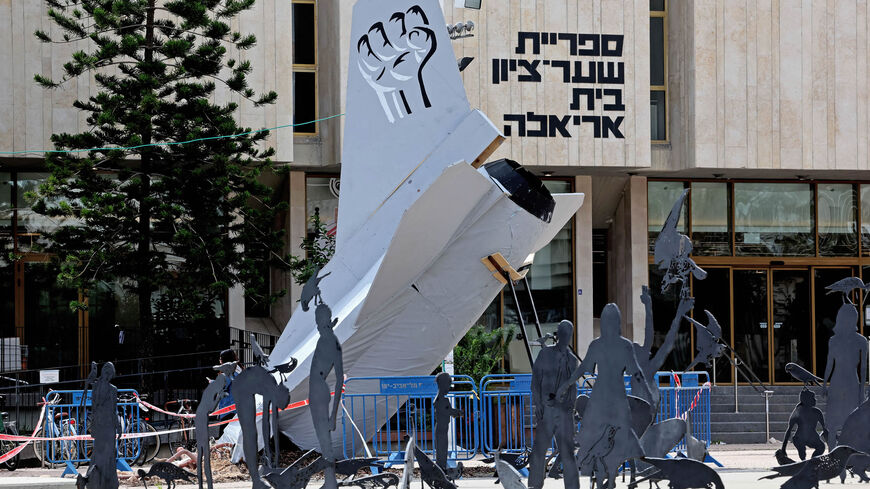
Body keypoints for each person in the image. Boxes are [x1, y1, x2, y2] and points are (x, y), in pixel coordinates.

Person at [557, 304, 652, 489]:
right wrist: (648, 393)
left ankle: (601, 478)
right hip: (616, 398)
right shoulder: (625, 345)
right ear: (618, 322)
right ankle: (610, 479)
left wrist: (566, 384)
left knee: (594, 438)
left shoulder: (597, 344)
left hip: (600, 398)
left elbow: (583, 369)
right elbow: (637, 373)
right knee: (619, 438)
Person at [528, 320, 580, 489]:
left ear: (570, 336)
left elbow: (573, 387)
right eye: (563, 333)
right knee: (539, 450)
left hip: (564, 413)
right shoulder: (545, 354)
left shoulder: (572, 360)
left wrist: (571, 409)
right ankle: (534, 486)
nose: (565, 337)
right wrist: (538, 404)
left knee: (568, 454)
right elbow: (535, 381)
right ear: (558, 334)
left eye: (568, 334)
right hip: (547, 410)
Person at [823, 302, 868, 448]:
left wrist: (862, 390)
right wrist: (824, 384)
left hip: (849, 383)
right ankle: (833, 454)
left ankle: (845, 455)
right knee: (835, 423)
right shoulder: (835, 340)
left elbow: (863, 369)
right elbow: (830, 364)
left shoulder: (861, 341)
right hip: (840, 382)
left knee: (848, 421)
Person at [781, 389, 828, 461]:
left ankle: (813, 460)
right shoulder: (798, 412)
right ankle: (803, 460)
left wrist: (832, 442)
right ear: (806, 400)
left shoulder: (817, 412)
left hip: (812, 437)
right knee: (802, 450)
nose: (815, 400)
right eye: (813, 398)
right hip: (799, 438)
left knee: (821, 447)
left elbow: (825, 429)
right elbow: (789, 430)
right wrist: (783, 448)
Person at [216, 349, 242, 435]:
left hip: (228, 410)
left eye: (221, 359)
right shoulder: (238, 370)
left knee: (224, 441)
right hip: (236, 410)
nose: (220, 361)